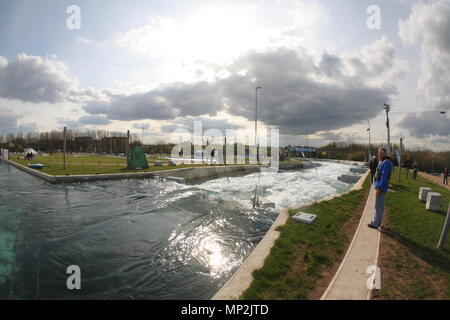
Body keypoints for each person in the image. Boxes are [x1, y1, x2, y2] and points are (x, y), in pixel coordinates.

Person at [368, 148, 393, 229]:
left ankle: (376, 223)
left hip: (380, 188)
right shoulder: (383, 161)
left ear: (385, 154)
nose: (380, 155)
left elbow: (384, 177)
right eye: (379, 153)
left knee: (378, 206)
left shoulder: (386, 163)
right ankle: (377, 221)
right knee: (379, 206)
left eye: (382, 153)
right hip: (379, 186)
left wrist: (379, 188)